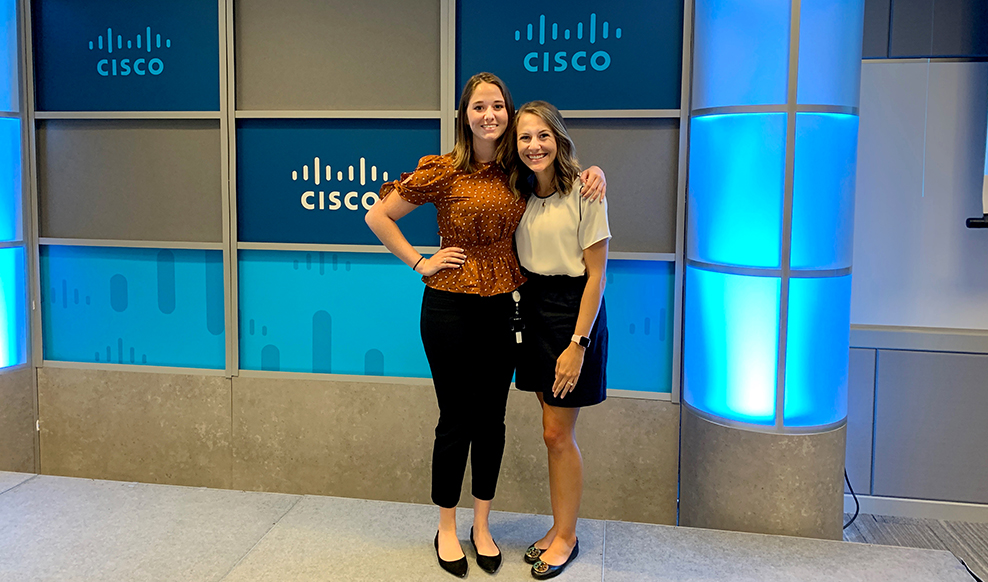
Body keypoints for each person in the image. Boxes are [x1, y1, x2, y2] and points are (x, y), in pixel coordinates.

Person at [364, 73, 605, 578]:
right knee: (455, 420)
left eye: (498, 106)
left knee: (491, 421)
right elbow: (378, 217)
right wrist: (418, 261)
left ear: (509, 115)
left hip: (506, 307)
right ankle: (447, 527)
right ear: (464, 115)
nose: (489, 115)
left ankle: (482, 525)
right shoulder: (444, 169)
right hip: (449, 307)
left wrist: (594, 172)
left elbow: (561, 171)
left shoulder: (518, 169)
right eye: (479, 106)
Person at [503, 101, 610, 580]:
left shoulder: (586, 191)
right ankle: (557, 528)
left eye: (543, 135)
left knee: (557, 433)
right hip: (533, 309)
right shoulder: (520, 191)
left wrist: (578, 345)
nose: (534, 146)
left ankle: (566, 536)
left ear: (558, 138)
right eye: (525, 137)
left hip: (574, 314)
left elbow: (597, 275)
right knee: (552, 429)